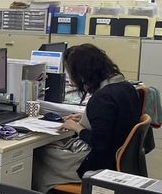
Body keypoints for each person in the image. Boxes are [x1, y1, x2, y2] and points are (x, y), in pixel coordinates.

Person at [33, 44, 142, 192]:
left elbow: (100, 143)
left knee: (38, 155)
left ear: (83, 74)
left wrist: (77, 127)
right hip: (116, 160)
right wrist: (88, 118)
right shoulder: (127, 88)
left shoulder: (102, 98)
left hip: (96, 166)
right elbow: (115, 120)